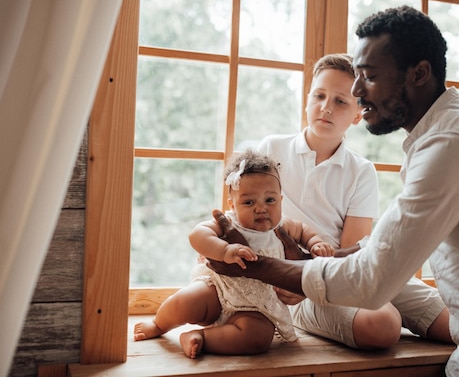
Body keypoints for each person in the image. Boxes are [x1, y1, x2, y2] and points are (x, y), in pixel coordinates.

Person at [208, 5, 459, 376]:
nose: (356, 91)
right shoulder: (440, 136)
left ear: (419, 74)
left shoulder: (452, 143)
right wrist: (296, 263)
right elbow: (385, 244)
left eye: (369, 76)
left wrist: (264, 267)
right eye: (323, 94)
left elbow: (372, 277)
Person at [256, 52, 451, 350]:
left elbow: (352, 256)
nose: (326, 108)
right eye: (319, 96)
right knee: (383, 325)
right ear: (307, 100)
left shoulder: (361, 171)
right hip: (293, 285)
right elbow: (245, 219)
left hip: (346, 270)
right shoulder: (271, 148)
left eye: (340, 101)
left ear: (358, 114)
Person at [133, 149, 335, 359]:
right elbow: (197, 235)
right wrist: (224, 250)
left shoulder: (282, 226)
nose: (261, 208)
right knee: (184, 302)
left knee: (258, 339)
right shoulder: (230, 222)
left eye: (270, 200)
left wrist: (316, 243)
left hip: (258, 306)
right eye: (249, 202)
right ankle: (158, 324)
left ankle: (201, 337)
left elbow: (304, 230)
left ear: (281, 199)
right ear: (232, 205)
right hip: (218, 291)